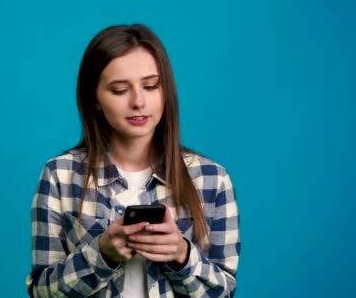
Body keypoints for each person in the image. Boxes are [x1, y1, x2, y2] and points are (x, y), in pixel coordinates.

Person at [26, 24, 240, 298]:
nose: (138, 101)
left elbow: (224, 292)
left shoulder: (212, 179)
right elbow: (42, 293)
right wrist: (102, 254)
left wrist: (181, 255)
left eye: (151, 86)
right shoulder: (60, 176)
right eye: (119, 90)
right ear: (95, 98)